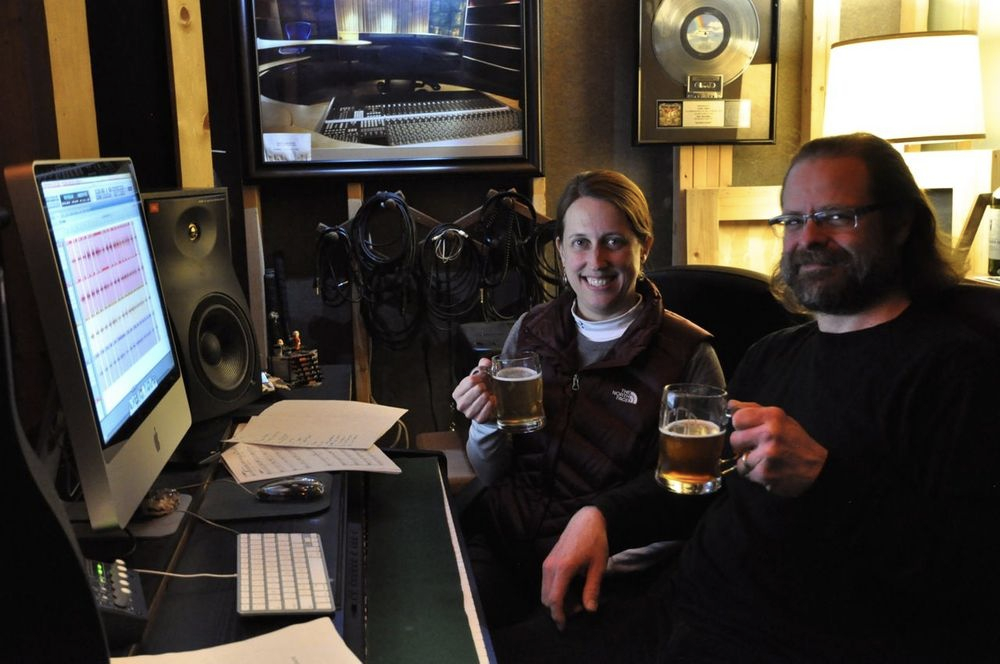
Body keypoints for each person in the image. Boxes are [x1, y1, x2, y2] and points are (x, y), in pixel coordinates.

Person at [534, 133, 1000, 662]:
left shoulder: (957, 370)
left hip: (783, 642)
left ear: (900, 224)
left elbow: (967, 574)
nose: (809, 237)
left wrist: (823, 479)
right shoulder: (771, 354)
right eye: (794, 220)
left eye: (836, 216)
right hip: (675, 611)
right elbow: (700, 483)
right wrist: (601, 515)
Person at [451, 170, 724, 634]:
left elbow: (690, 499)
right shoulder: (530, 330)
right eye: (580, 242)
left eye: (613, 241)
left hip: (606, 573)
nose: (595, 260)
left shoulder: (689, 355)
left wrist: (615, 550)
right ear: (561, 250)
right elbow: (494, 473)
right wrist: (486, 422)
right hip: (505, 548)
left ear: (644, 247)